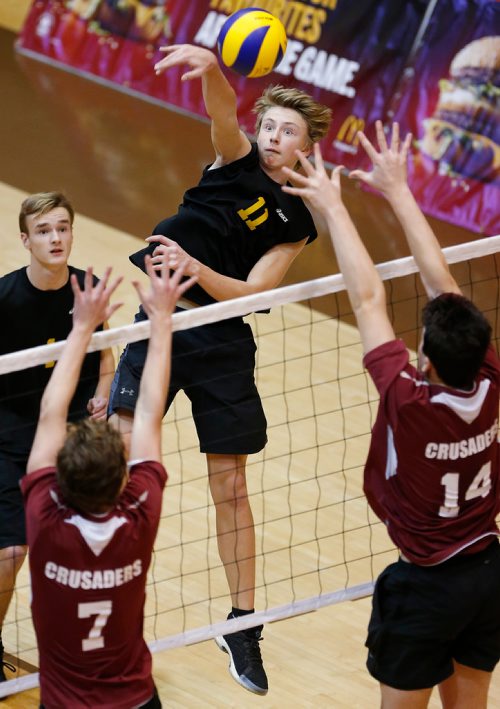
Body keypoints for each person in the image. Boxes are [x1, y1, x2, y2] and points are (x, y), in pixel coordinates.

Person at [107, 44, 332, 696]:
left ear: (305, 148)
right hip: (161, 317)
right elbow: (222, 113)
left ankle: (243, 623)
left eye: (288, 131)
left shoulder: (295, 220)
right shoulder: (232, 159)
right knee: (117, 460)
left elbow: (251, 291)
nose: (273, 136)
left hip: (221, 338)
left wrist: (193, 270)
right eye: (269, 125)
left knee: (230, 485)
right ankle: (105, 599)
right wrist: (210, 69)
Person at [282, 122, 499, 708]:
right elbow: (443, 284)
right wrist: (399, 191)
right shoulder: (489, 377)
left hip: (427, 585)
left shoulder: (409, 399)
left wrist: (333, 206)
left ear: (423, 359)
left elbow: (368, 298)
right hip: (487, 574)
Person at [22, 257, 196, 708]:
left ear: (59, 478)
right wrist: (162, 321)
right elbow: (149, 415)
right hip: (134, 701)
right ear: (123, 481)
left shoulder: (44, 517)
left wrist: (80, 329)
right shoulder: (138, 514)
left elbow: (48, 415)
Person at [0, 192, 116, 683]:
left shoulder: (85, 289)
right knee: (11, 551)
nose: (55, 238)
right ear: (26, 240)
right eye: (44, 230)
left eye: (63, 228)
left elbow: (105, 356)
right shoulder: (4, 298)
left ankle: (76, 651)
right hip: (10, 434)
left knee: (74, 551)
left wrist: (103, 397)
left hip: (69, 439)